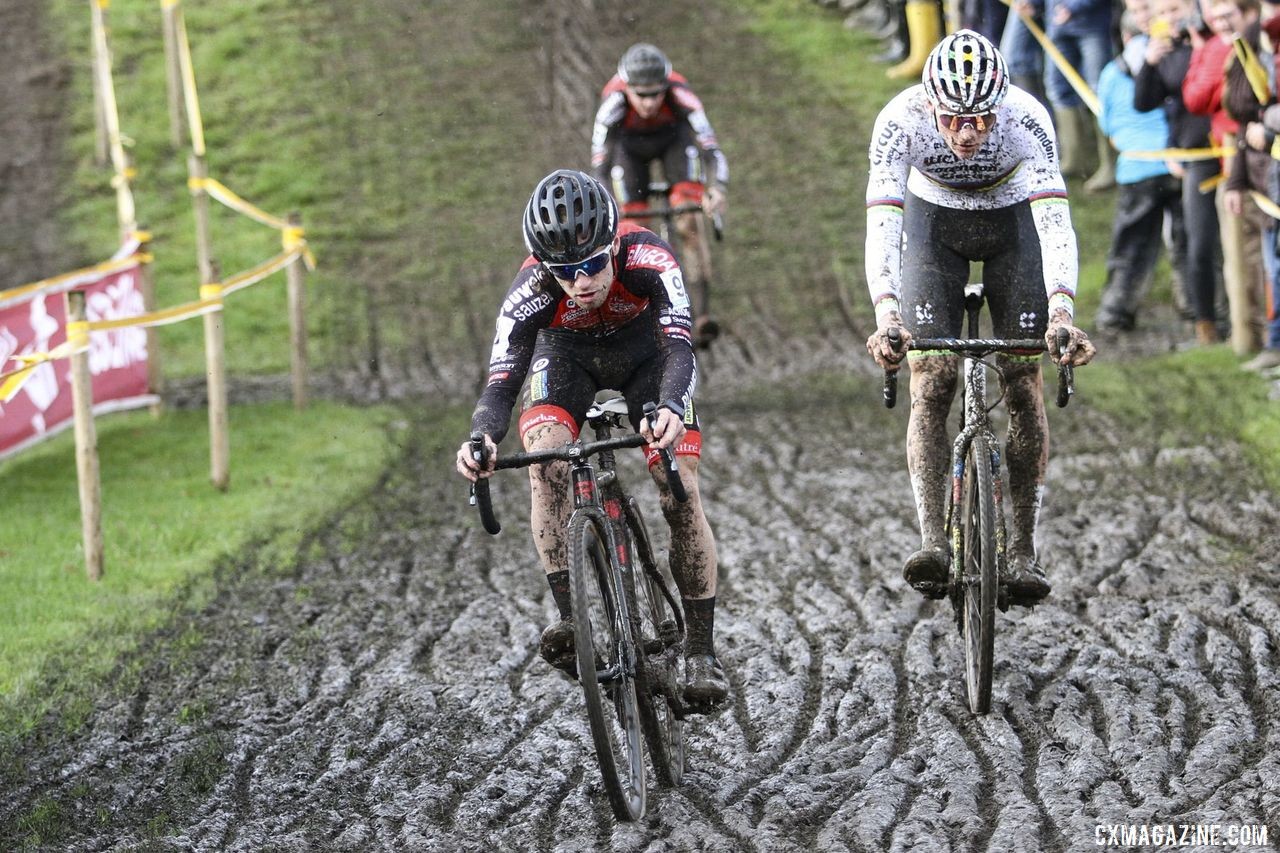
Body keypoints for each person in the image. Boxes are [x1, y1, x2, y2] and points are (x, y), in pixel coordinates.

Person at [455, 169, 728, 708]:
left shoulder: (651, 259)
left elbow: (680, 348)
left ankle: (701, 651)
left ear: (613, 243)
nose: (581, 282)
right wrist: (481, 438)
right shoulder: (529, 293)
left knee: (677, 487)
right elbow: (502, 381)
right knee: (545, 461)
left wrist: (671, 407)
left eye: (592, 265)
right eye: (565, 272)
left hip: (648, 359)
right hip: (567, 361)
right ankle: (571, 622)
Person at [863, 30, 1097, 603]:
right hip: (931, 228)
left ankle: (1022, 550)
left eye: (982, 121)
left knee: (1023, 380)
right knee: (932, 379)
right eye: (952, 120)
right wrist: (887, 313)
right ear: (929, 105)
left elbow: (1054, 225)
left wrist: (1063, 311)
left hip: (1012, 225)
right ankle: (932, 541)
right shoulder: (900, 120)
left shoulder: (1026, 118)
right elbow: (883, 225)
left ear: (1001, 109)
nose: (967, 134)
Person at [590, 43, 728, 338]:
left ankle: (703, 313)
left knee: (689, 220)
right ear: (627, 88)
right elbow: (600, 167)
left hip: (674, 142)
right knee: (633, 230)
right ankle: (637, 311)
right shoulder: (612, 103)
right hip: (629, 149)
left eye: (656, 93)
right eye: (640, 94)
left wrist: (716, 189)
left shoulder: (681, 95)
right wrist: (608, 203)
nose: (649, 102)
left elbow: (712, 151)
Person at [1133, 0, 1226, 345]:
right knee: (1198, 241)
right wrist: (1149, 62)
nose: (1168, 19)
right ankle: (1207, 323)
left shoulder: (1213, 39)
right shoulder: (1168, 52)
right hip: (1196, 155)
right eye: (1163, 13)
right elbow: (1145, 102)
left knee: (1234, 244)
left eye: (1175, 9)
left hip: (1225, 146)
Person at [1094, 6, 1185, 331]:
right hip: (1177, 163)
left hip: (1135, 167)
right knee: (1184, 240)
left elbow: (1107, 125)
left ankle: (1115, 312)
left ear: (1125, 35)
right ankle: (1194, 307)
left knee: (1131, 245)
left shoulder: (1110, 73)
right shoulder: (1171, 60)